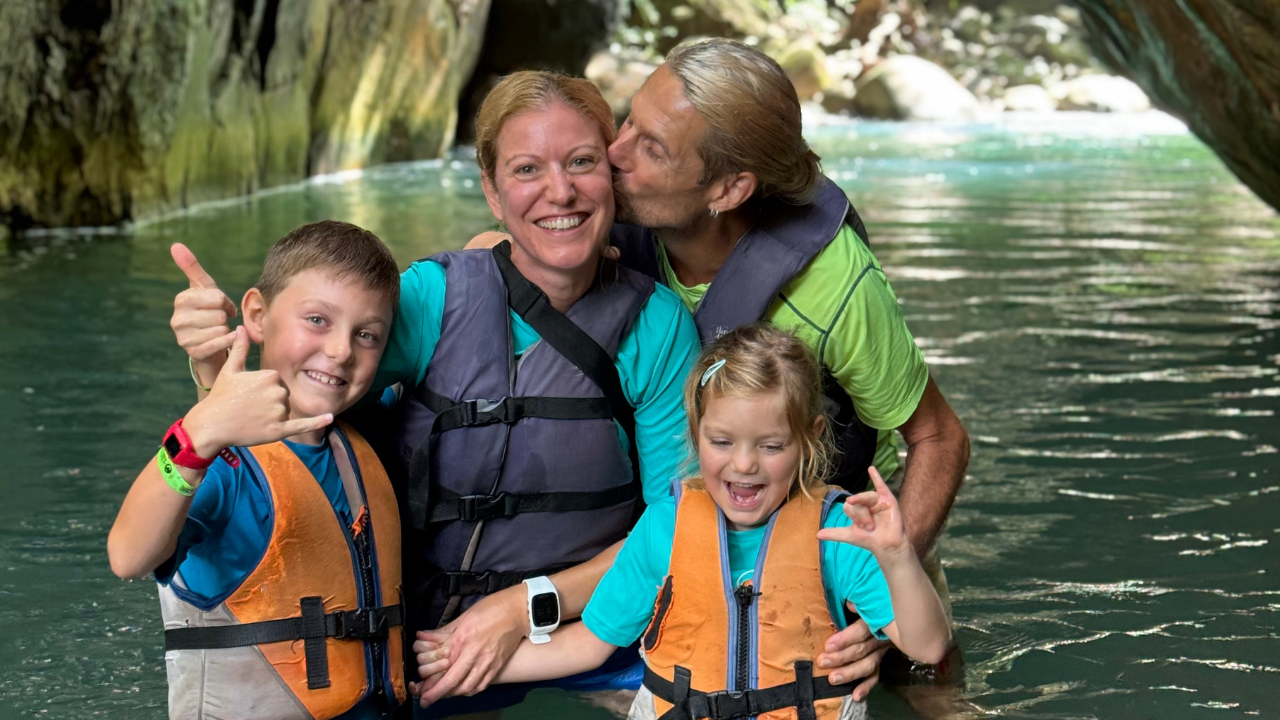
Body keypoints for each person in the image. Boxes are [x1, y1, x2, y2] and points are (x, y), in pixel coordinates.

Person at [167, 72, 703, 717]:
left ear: (609, 178)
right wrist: (210, 367)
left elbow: (681, 523)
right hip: (421, 649)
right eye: (527, 168)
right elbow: (297, 412)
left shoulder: (658, 326)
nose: (560, 191)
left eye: (582, 162)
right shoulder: (431, 299)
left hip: (594, 640)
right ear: (491, 190)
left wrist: (521, 607)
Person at [467, 37, 970, 694]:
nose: (613, 157)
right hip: (689, 529)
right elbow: (488, 260)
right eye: (629, 123)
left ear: (729, 188)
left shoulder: (835, 285)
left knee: (929, 683)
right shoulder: (600, 217)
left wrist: (875, 602)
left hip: (841, 541)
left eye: (651, 149)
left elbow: (940, 437)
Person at [414, 325, 950, 720]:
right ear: (696, 436)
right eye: (722, 443)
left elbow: (927, 646)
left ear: (808, 439)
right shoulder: (667, 527)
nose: (743, 465)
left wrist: (899, 556)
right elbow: (589, 645)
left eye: (770, 445)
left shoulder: (836, 534)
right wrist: (466, 667)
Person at [107, 221, 407, 720]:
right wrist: (199, 432)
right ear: (257, 315)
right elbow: (127, 556)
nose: (340, 350)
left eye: (367, 335)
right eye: (317, 320)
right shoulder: (225, 466)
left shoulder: (365, 445)